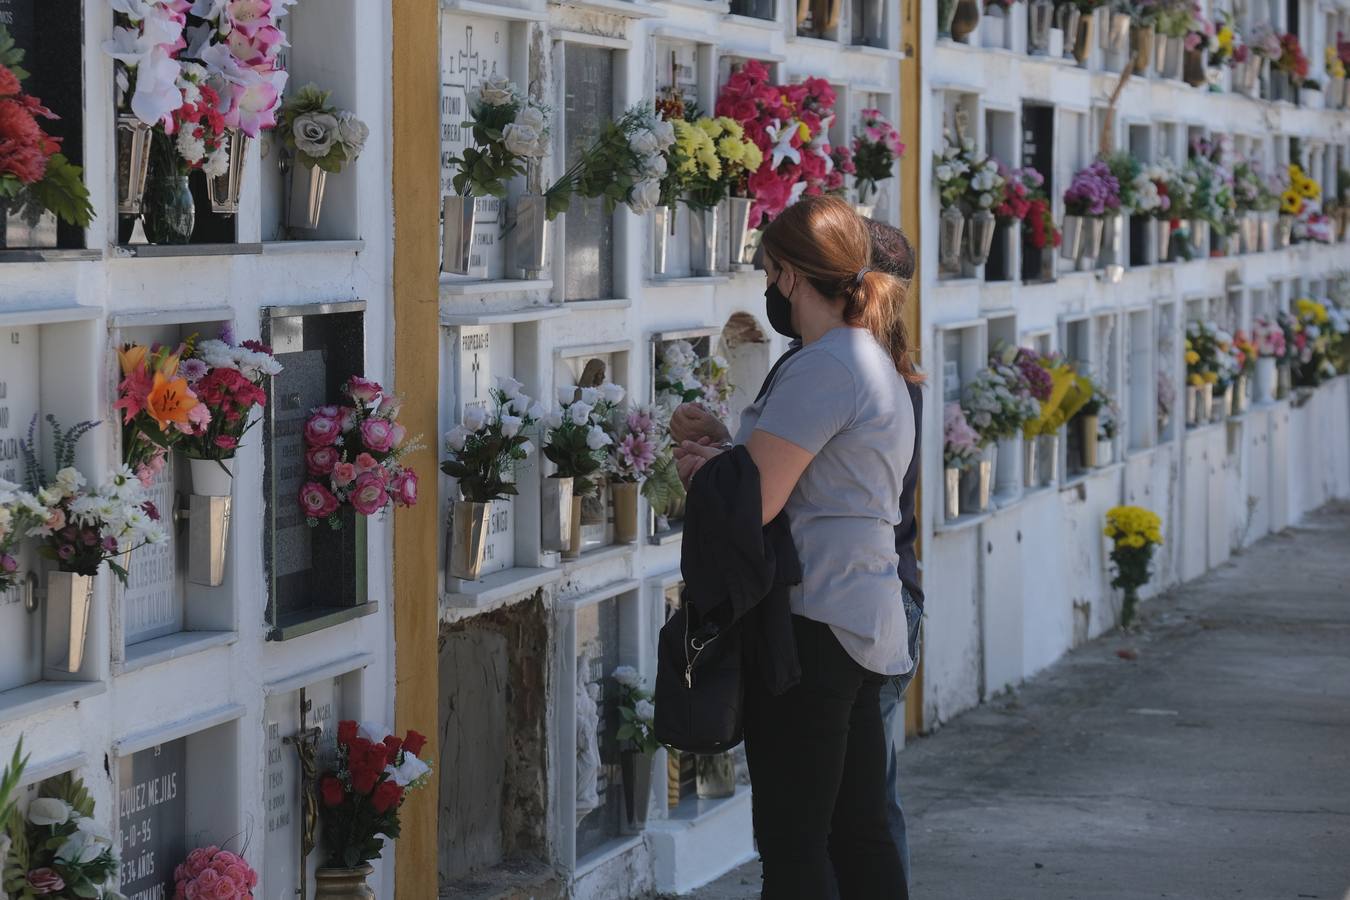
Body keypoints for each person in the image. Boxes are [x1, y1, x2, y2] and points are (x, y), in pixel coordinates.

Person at [673, 197, 921, 899]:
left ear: (789, 275)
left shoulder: (827, 367)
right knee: (858, 829)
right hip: (860, 615)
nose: (765, 284)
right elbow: (806, 479)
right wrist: (727, 449)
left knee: (794, 841)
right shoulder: (860, 356)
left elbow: (755, 501)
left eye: (767, 269)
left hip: (815, 623)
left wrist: (704, 471)